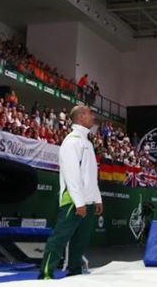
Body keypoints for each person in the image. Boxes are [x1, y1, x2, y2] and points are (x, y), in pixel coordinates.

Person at [40, 106, 103, 279]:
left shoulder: (87, 143)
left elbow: (90, 175)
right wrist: (79, 201)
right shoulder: (71, 141)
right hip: (74, 201)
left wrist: (97, 199)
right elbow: (71, 174)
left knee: (80, 241)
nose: (93, 117)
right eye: (90, 114)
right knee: (60, 238)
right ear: (81, 117)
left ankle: (75, 273)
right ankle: (46, 273)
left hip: (87, 201)